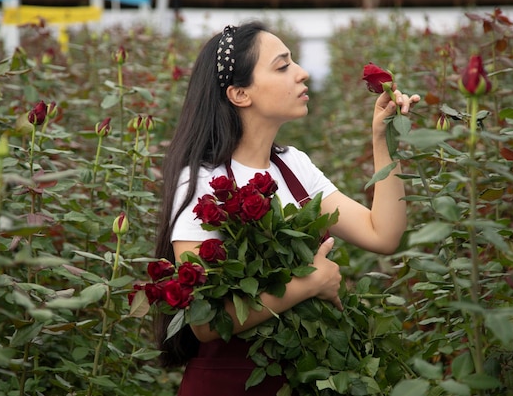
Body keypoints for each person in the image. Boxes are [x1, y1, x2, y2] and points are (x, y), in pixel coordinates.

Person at [153, 20, 420, 395]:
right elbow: (206, 322)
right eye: (282, 66)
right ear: (240, 94)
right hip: (229, 382)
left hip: (298, 378)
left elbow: (383, 234)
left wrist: (385, 140)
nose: (302, 73)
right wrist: (311, 283)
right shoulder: (200, 182)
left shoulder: (294, 166)